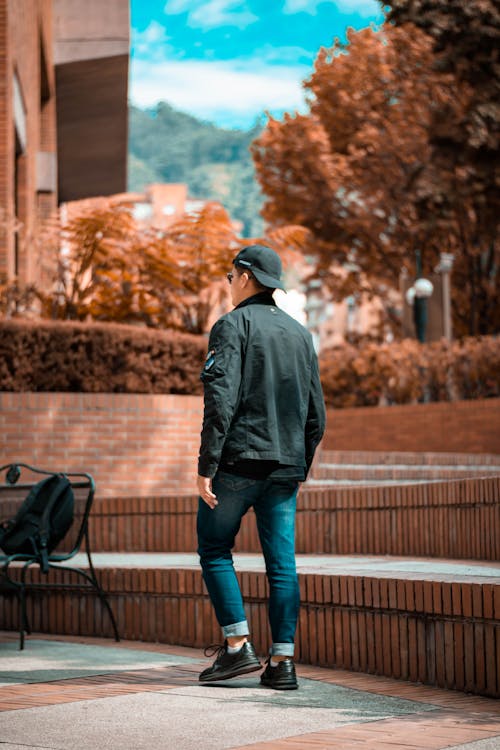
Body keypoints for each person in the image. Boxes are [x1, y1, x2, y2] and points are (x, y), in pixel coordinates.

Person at [197, 244, 326, 690]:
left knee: (214, 549)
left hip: (237, 465)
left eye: (230, 276)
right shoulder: (300, 334)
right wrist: (298, 464)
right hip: (284, 469)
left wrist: (206, 465)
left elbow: (220, 401)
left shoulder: (231, 325)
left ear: (246, 276)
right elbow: (317, 416)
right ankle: (283, 663)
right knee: (282, 566)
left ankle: (236, 649)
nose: (228, 284)